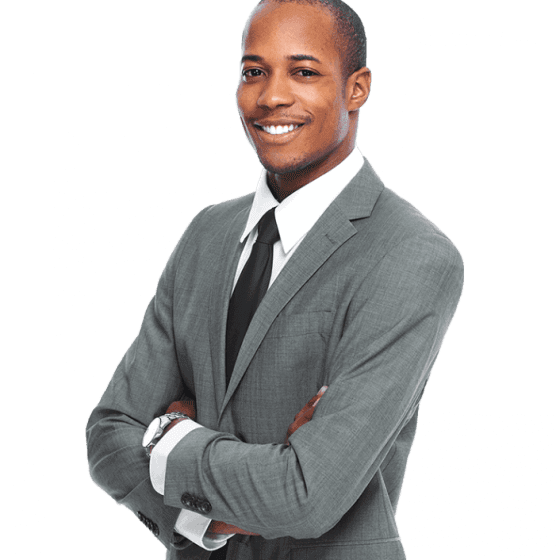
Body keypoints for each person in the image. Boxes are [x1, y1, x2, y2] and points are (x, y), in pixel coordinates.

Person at [85, 0, 465, 559]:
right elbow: (109, 436)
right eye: (254, 71)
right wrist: (209, 521)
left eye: (304, 72)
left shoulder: (412, 254)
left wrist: (168, 438)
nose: (271, 97)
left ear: (357, 88)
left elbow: (308, 493)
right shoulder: (207, 233)